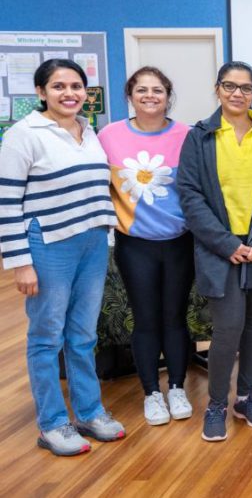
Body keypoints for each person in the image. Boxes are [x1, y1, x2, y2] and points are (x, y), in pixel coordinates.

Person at [0, 59, 124, 456]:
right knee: (46, 336)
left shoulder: (90, 131)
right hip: (49, 244)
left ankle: (89, 412)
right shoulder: (23, 135)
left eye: (76, 86)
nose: (69, 93)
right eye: (58, 86)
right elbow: (6, 203)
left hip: (92, 241)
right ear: (41, 92)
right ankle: (53, 423)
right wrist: (20, 262)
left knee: (84, 335)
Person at [177, 61, 252, 442]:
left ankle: (246, 398)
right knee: (228, 327)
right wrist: (227, 243)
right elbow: (190, 194)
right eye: (229, 86)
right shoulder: (200, 136)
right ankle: (216, 404)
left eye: (246, 88)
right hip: (220, 247)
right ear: (217, 89)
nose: (237, 94)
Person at [98, 66, 195, 426]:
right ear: (130, 95)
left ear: (168, 96)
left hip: (180, 242)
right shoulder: (109, 135)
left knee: (175, 317)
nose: (150, 96)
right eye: (142, 90)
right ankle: (152, 392)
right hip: (134, 244)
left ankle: (178, 388)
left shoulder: (187, 135)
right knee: (146, 319)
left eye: (157, 90)